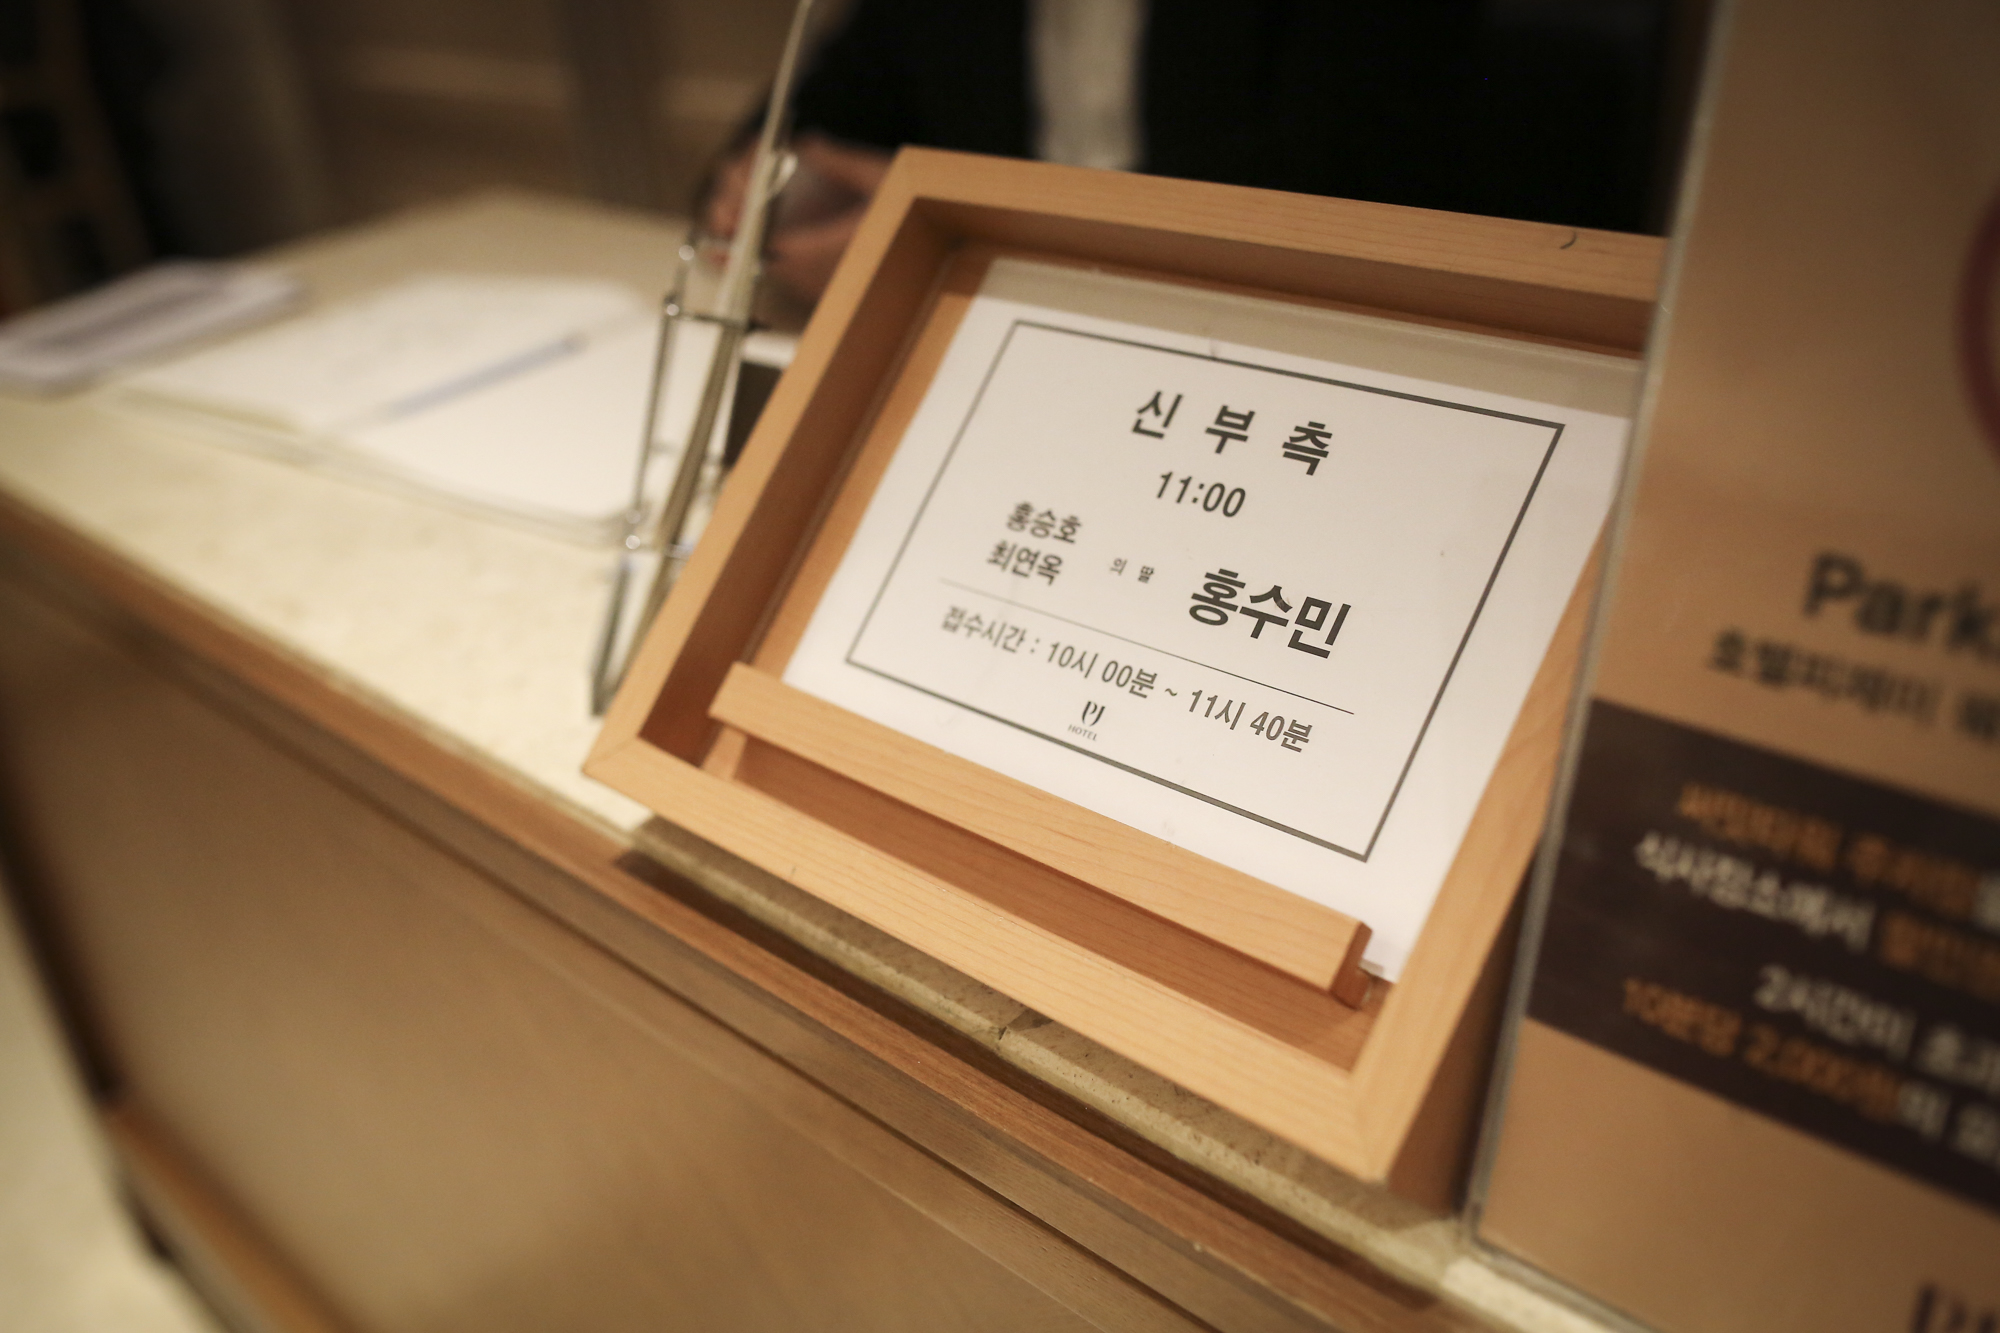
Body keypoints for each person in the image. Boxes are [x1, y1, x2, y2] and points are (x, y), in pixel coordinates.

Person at [705, 0, 1665, 303]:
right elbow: (799, 115)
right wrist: (763, 184)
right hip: (1000, 345)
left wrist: (935, 224)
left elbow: (1326, 200)